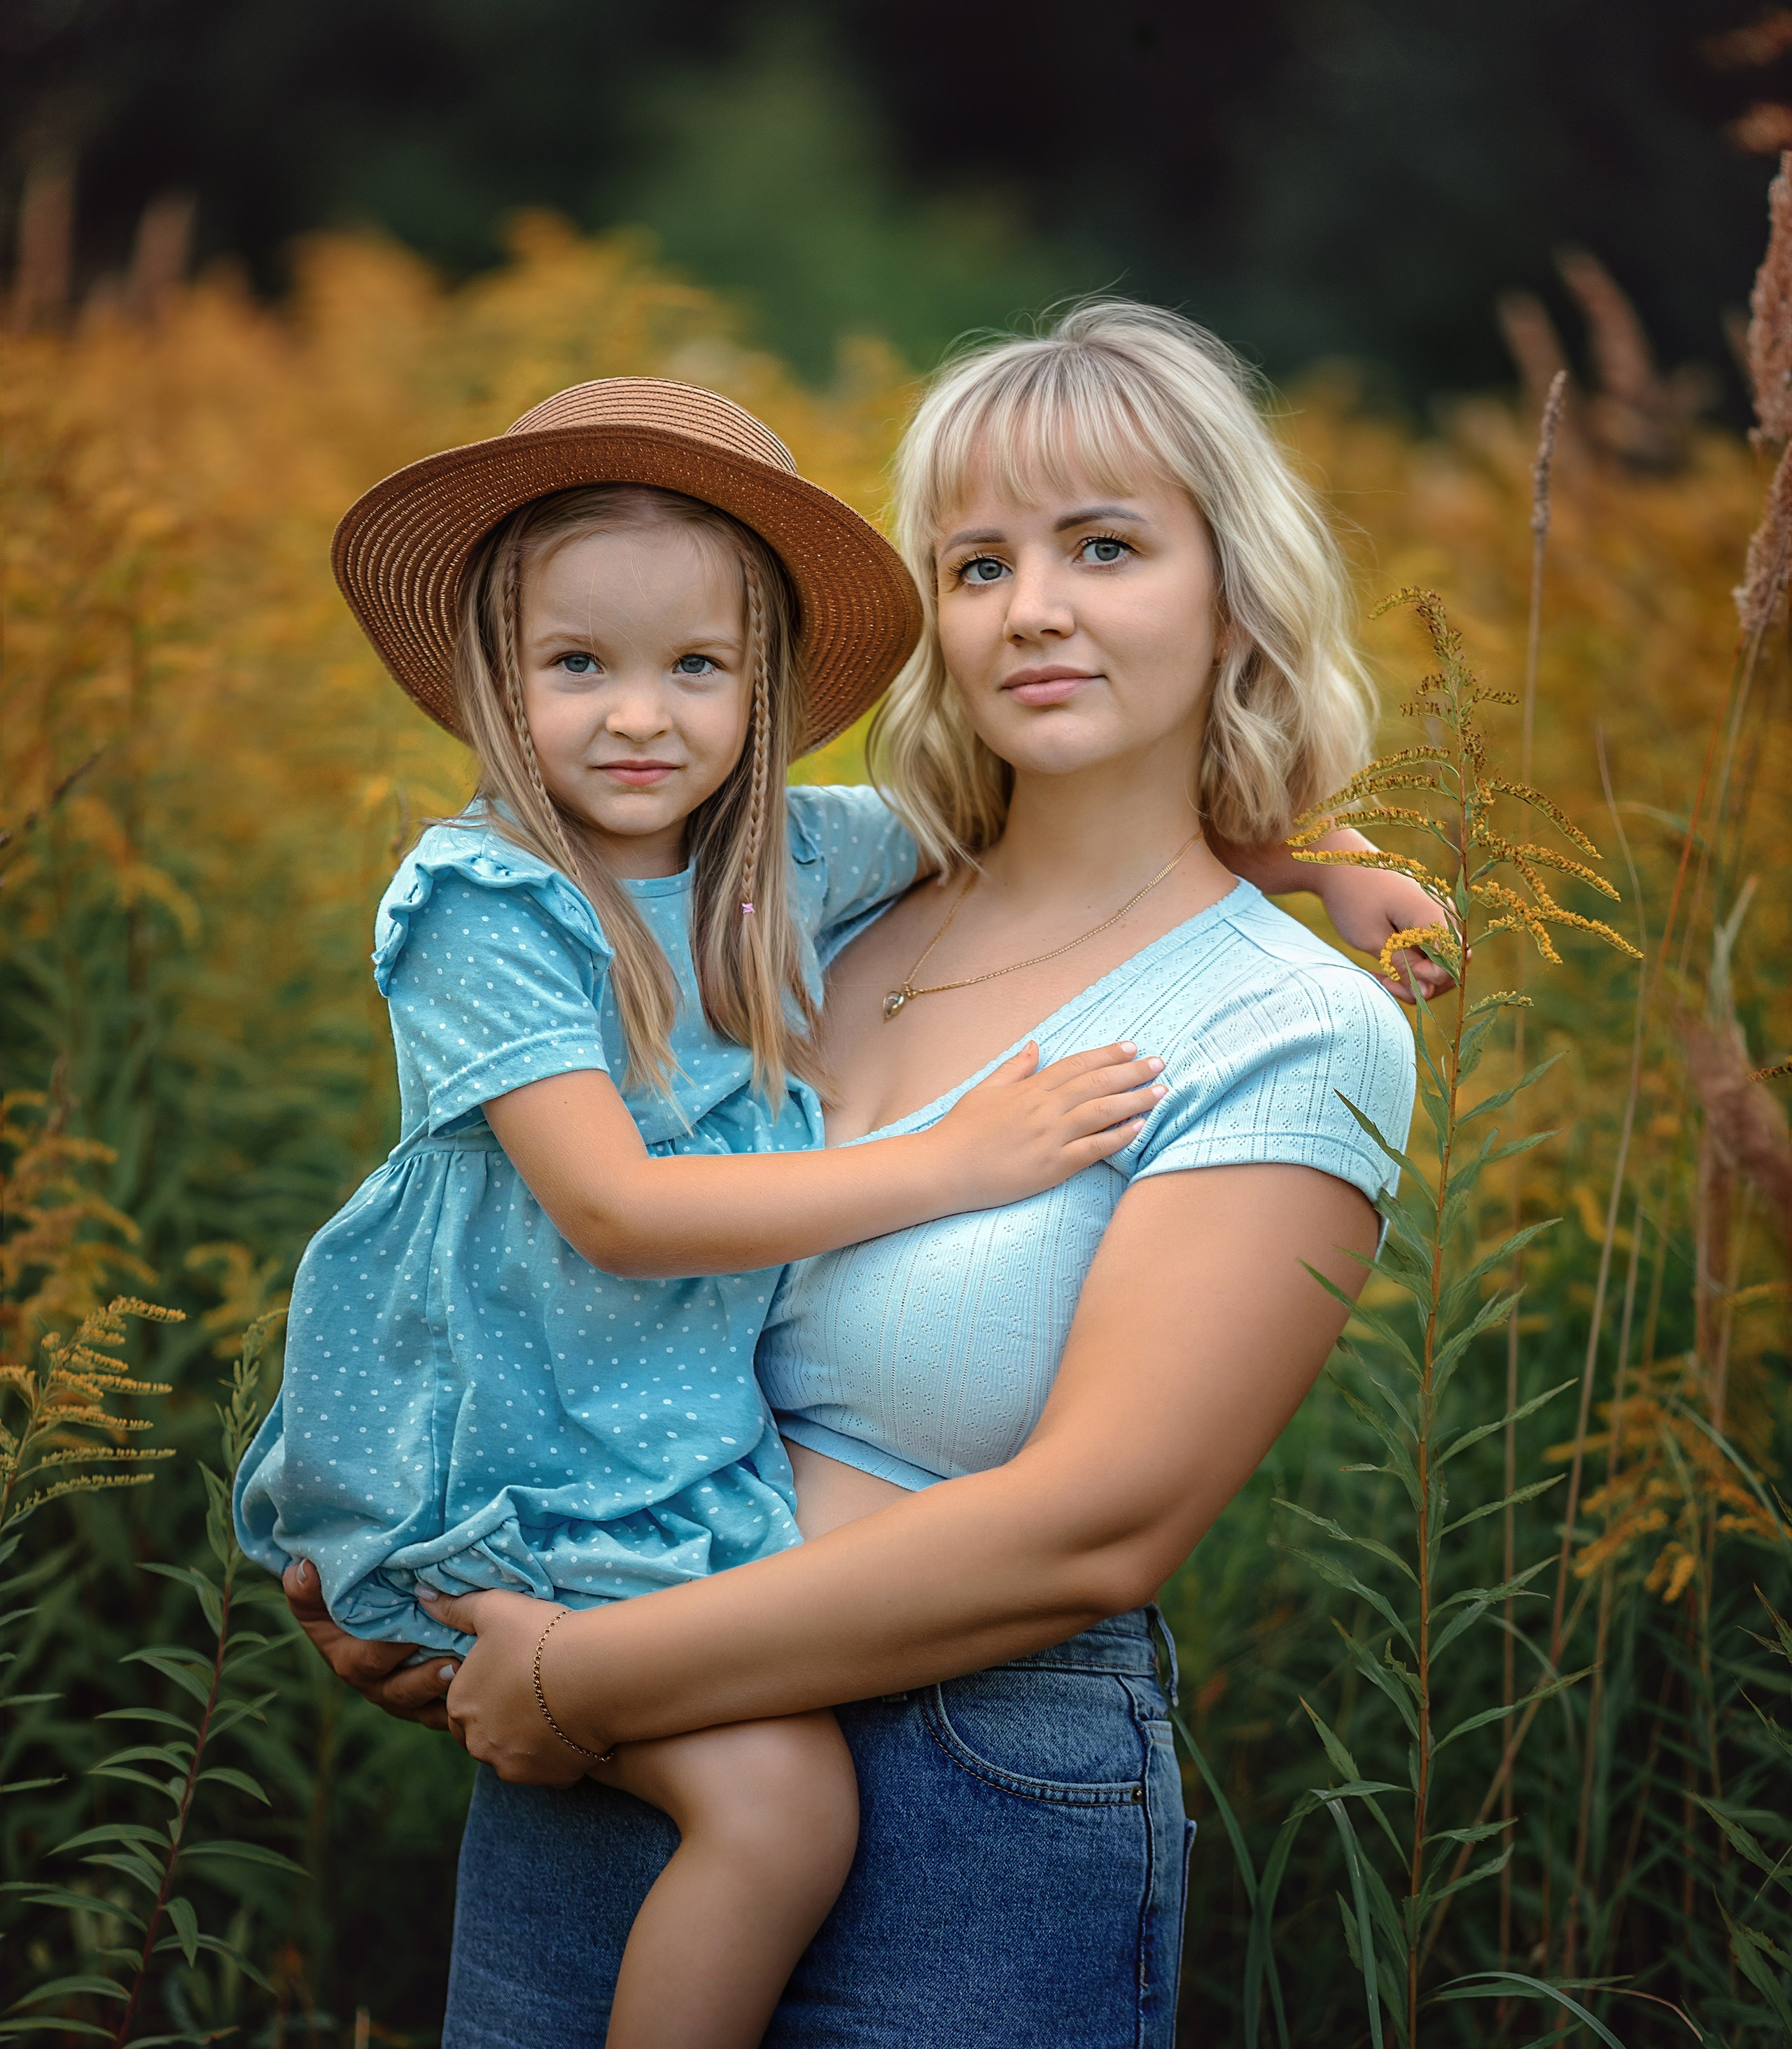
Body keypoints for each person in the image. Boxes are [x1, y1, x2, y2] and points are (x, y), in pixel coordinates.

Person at [285, 309, 1430, 2048]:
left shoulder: (1281, 1022)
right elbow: (573, 1257)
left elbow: (1099, 1528)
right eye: (978, 562)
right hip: (606, 1750)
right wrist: (444, 1607)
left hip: (956, 1798)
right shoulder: (797, 898)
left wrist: (573, 1678)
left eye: (1103, 547)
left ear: (1233, 596)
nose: (1031, 605)